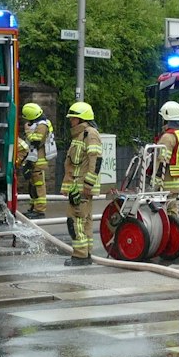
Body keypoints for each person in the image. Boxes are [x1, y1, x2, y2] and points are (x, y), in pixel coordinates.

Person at [61, 101, 102, 266]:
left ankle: (80, 255)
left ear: (80, 119)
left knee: (76, 221)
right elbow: (72, 165)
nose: (71, 121)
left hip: (82, 187)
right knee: (84, 221)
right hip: (77, 186)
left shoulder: (89, 134)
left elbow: (95, 161)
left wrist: (87, 185)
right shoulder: (80, 135)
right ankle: (86, 254)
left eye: (73, 118)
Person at [153, 100, 179, 210]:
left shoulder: (167, 137)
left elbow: (163, 160)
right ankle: (174, 225)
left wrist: (156, 181)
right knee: (173, 208)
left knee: (162, 210)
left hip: (167, 180)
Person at [18, 102, 53, 217]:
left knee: (38, 185)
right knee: (32, 185)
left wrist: (27, 131)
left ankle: (40, 210)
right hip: (33, 160)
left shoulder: (42, 125)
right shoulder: (38, 123)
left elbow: (36, 141)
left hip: (38, 161)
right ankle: (33, 208)